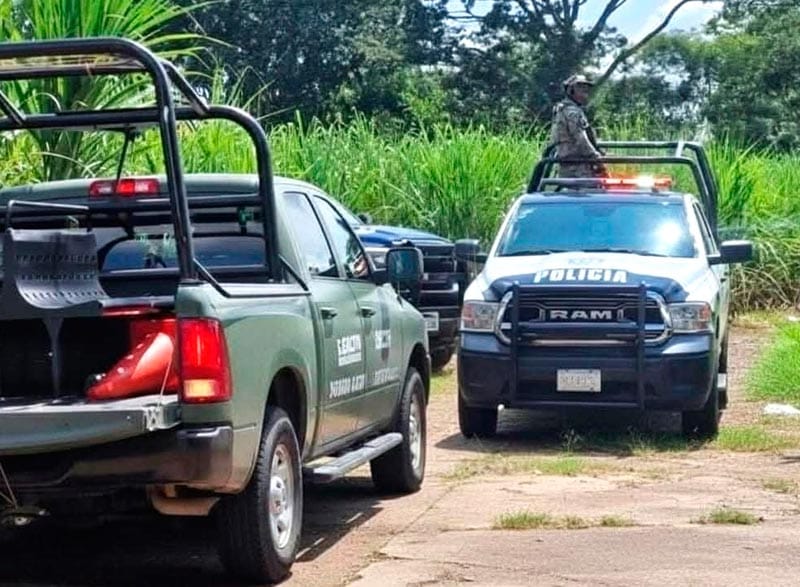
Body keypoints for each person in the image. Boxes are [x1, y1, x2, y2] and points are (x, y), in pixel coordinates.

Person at [550, 74, 606, 178]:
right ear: (571, 91)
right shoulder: (572, 112)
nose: (585, 94)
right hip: (577, 166)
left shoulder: (563, 109)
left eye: (586, 90)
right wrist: (597, 159)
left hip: (569, 165)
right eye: (581, 89)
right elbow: (581, 140)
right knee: (592, 191)